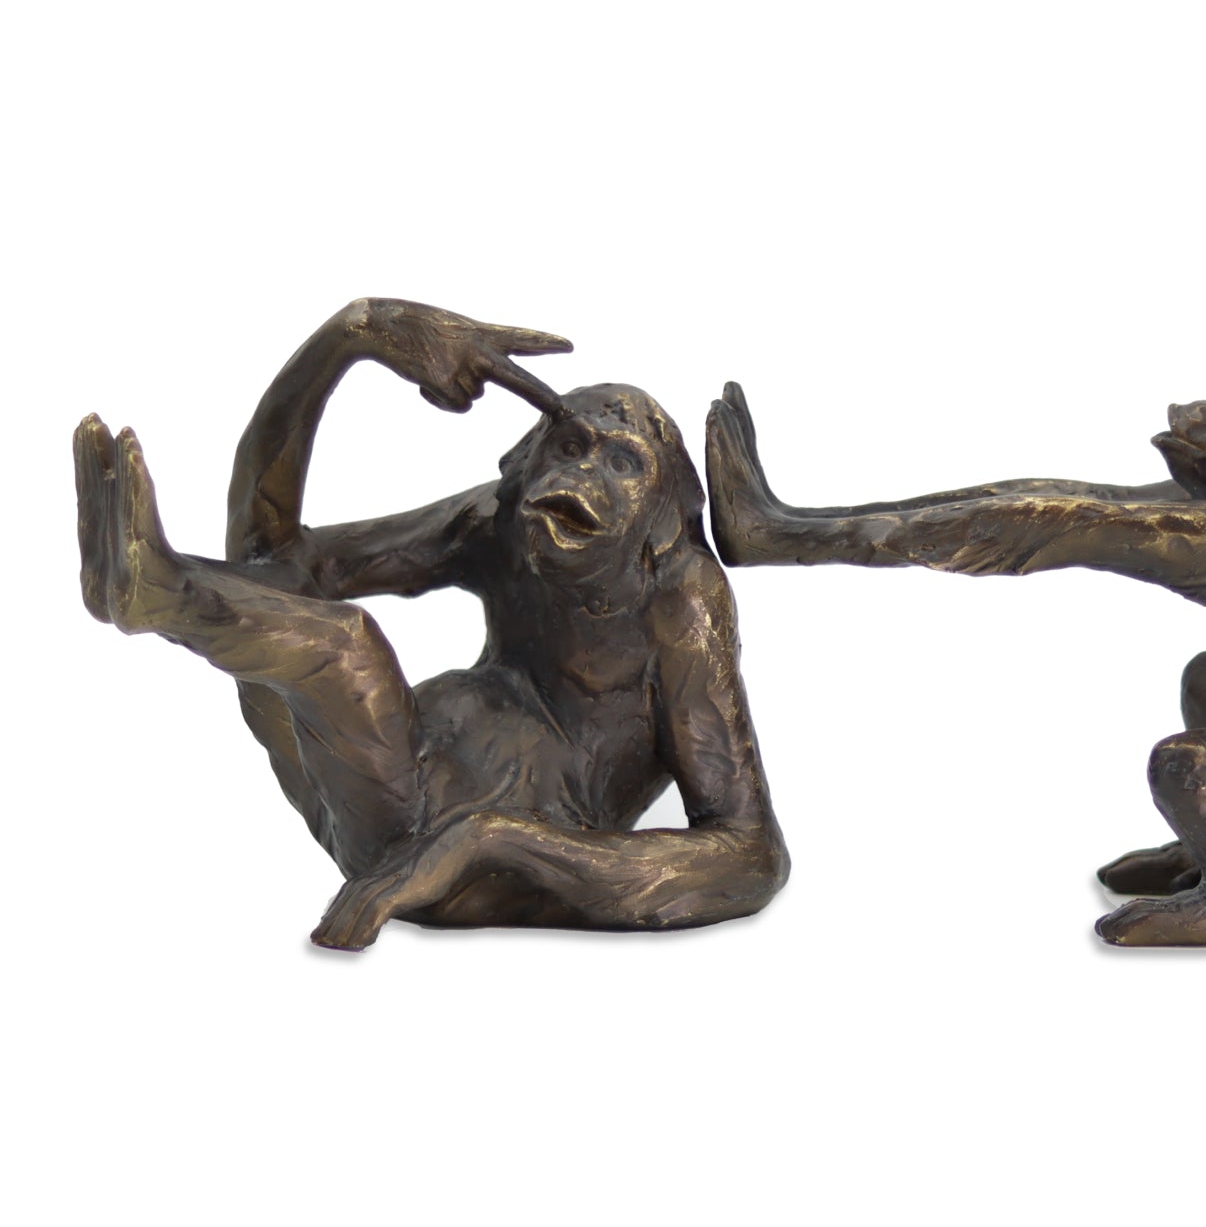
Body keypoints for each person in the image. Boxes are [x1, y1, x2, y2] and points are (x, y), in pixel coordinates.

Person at [705, 339, 1206, 945]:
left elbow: (1062, 525)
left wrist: (786, 535)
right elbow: (1080, 505)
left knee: (1186, 766)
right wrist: (797, 526)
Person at [75, 298, 788, 951]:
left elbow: (749, 855)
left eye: (624, 463)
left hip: (485, 868)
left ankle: (165, 595)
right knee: (331, 641)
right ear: (522, 466)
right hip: (377, 788)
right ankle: (156, 592)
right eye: (569, 446)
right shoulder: (505, 518)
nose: (581, 476)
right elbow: (279, 568)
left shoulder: (680, 602)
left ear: (665, 518)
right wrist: (350, 335)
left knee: (343, 645)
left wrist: (494, 840)